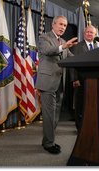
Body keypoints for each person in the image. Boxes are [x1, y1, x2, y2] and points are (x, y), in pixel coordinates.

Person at [35, 15, 77, 154]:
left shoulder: (63, 41)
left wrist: (86, 58)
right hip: (47, 82)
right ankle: (49, 143)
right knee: (49, 115)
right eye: (60, 24)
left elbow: (71, 58)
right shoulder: (44, 37)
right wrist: (63, 46)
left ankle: (48, 140)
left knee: (56, 115)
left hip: (60, 83)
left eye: (65, 25)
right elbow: (48, 51)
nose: (62, 27)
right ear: (53, 24)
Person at [70, 25, 98, 132]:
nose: (90, 34)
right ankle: (80, 128)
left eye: (92, 32)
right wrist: (75, 79)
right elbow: (73, 63)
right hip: (80, 80)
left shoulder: (97, 46)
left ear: (95, 35)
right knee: (80, 105)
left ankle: (88, 126)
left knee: (90, 105)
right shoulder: (78, 46)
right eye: (88, 32)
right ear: (84, 33)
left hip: (93, 81)